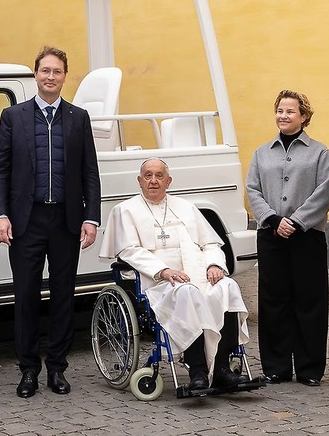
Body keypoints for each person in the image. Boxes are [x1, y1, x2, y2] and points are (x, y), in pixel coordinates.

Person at [0, 46, 102, 398]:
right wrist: (0, 214)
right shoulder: (13, 117)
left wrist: (91, 217)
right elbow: (0, 171)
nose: (50, 77)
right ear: (35, 75)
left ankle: (57, 368)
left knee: (63, 296)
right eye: (45, 71)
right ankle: (28, 370)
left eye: (57, 71)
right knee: (24, 297)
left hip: (66, 221)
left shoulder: (78, 118)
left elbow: (90, 172)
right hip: (27, 221)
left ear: (64, 76)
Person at [100, 158, 250, 390]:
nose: (153, 181)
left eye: (159, 176)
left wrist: (214, 265)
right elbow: (129, 250)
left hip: (197, 274)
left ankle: (221, 368)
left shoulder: (186, 207)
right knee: (187, 293)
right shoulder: (126, 210)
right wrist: (163, 270)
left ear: (168, 181)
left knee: (227, 287)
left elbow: (210, 243)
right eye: (148, 176)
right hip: (158, 283)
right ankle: (198, 370)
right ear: (139, 181)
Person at [246, 90, 329, 387]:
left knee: (309, 301)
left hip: (307, 236)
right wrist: (272, 219)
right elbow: (253, 189)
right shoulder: (261, 152)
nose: (283, 116)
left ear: (304, 116)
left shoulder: (319, 152)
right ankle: (276, 367)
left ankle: (310, 369)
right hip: (270, 235)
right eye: (280, 111)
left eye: (290, 111)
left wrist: (296, 222)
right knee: (274, 301)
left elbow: (324, 192)